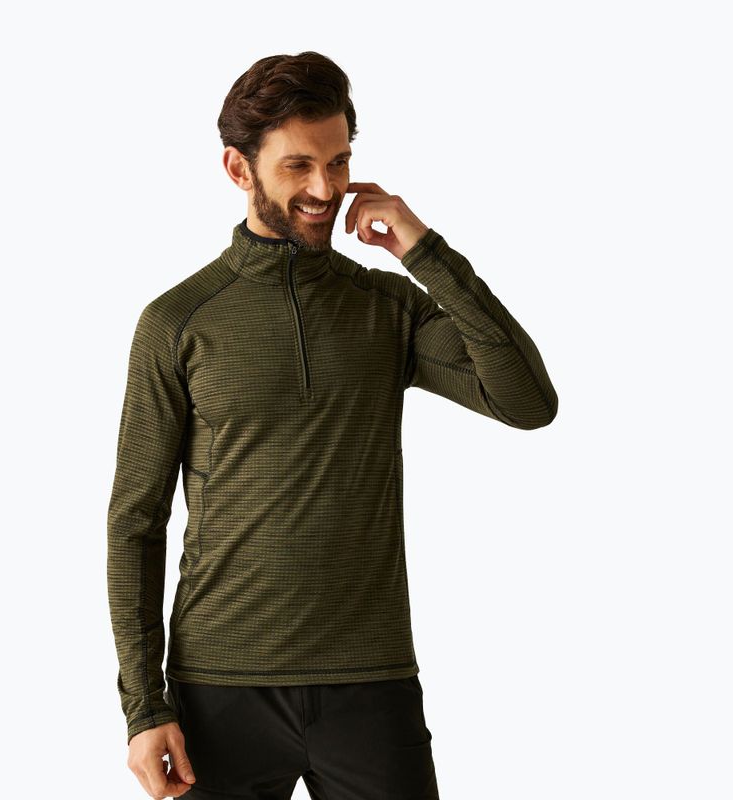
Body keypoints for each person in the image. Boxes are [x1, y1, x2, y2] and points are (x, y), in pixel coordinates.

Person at [107, 50, 558, 800]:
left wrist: (423, 251)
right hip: (219, 689)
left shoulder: (388, 308)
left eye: (340, 161)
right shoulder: (178, 321)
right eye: (299, 166)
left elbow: (527, 401)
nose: (326, 189)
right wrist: (143, 708)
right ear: (238, 168)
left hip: (371, 686)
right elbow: (135, 520)